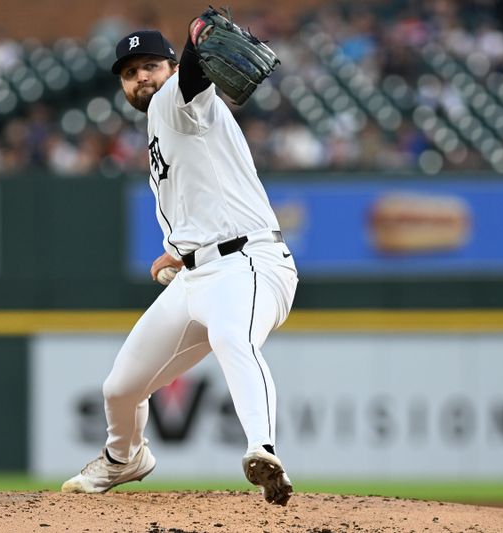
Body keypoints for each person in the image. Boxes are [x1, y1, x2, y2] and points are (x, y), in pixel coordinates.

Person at [60, 17, 298, 506]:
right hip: (196, 275)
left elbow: (193, 77)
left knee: (234, 338)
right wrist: (178, 250)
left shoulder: (179, 99)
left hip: (249, 263)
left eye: (150, 65)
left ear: (169, 67)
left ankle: (263, 449)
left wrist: (194, 40)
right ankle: (124, 457)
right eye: (129, 73)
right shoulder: (161, 124)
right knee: (121, 389)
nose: (141, 77)